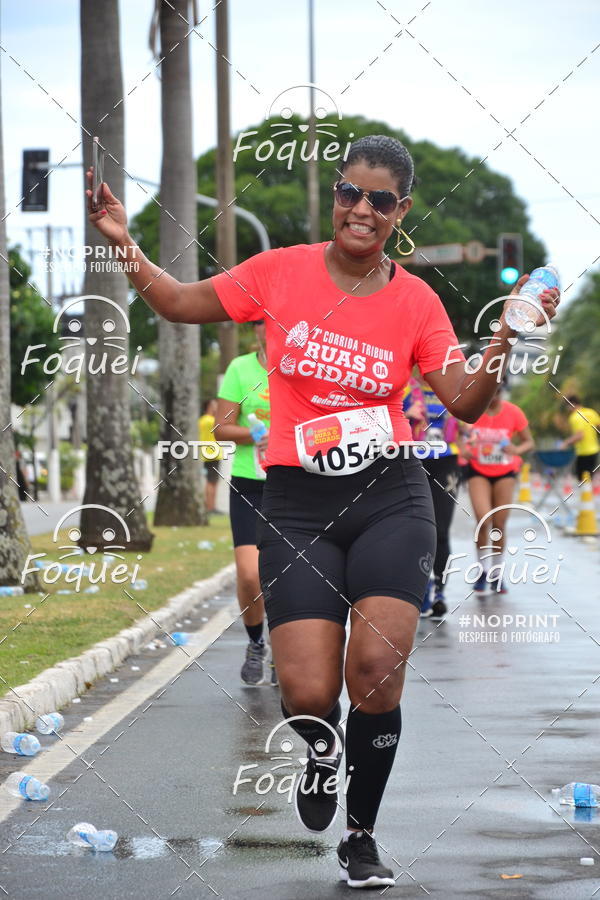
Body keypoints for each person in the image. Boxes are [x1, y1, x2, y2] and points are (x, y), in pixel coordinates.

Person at [87, 135, 559, 890]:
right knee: (308, 693)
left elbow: (466, 401)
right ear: (336, 196)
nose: (361, 209)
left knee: (375, 672)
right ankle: (320, 749)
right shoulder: (279, 271)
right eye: (349, 193)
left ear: (401, 211)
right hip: (296, 504)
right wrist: (123, 244)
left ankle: (361, 837)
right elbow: (177, 302)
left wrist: (506, 333)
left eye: (380, 200)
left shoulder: (417, 300)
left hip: (390, 497)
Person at [213, 320, 276, 686]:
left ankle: (286, 648)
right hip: (250, 484)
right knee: (250, 574)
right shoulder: (241, 368)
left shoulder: (304, 366)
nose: (269, 329)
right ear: (255, 330)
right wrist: (255, 434)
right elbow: (221, 428)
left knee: (290, 575)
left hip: (295, 484)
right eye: (262, 323)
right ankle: (256, 643)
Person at [462, 383, 534, 595]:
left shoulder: (513, 412)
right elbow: (459, 433)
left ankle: (496, 573)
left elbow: (529, 442)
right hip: (478, 470)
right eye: (490, 391)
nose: (493, 396)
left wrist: (517, 449)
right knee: (483, 519)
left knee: (499, 524)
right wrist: (464, 449)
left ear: (502, 391)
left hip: (505, 471)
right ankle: (482, 570)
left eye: (498, 391)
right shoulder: (473, 410)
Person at [403, 374, 463, 619]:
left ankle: (439, 592)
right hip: (412, 460)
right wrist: (405, 415)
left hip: (446, 462)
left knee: (440, 531)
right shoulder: (404, 385)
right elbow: (379, 419)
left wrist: (467, 428)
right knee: (414, 530)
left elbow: (468, 422)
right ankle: (421, 588)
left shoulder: (453, 387)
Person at [559, 394, 600, 481]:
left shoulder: (575, 417)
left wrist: (566, 443)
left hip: (584, 452)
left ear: (572, 404)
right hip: (595, 450)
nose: (567, 409)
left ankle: (586, 489)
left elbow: (580, 435)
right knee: (589, 478)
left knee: (582, 479)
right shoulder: (591, 412)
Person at [198, 398, 222, 513]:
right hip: (214, 454)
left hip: (205, 453)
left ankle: (209, 506)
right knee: (212, 482)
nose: (217, 407)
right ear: (210, 406)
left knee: (209, 480)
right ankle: (211, 507)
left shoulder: (201, 420)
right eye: (215, 405)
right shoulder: (212, 421)